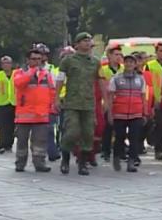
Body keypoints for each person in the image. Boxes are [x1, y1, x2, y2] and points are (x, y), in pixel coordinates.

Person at [58, 32, 103, 176]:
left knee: (88, 134)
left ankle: (82, 163)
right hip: (72, 103)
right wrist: (56, 97)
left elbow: (101, 80)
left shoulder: (95, 62)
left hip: (89, 103)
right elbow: (60, 80)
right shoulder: (68, 61)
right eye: (84, 40)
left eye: (89, 40)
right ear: (76, 45)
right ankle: (65, 159)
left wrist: (106, 100)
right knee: (72, 132)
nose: (87, 43)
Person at [13, 47, 55, 173]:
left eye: (39, 59)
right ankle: (20, 164)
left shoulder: (46, 74)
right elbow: (18, 83)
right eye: (33, 59)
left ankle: (39, 163)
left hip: (41, 114)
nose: (37, 62)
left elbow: (51, 91)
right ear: (27, 60)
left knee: (40, 142)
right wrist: (31, 72)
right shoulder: (20, 72)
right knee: (22, 141)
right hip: (24, 115)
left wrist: (52, 106)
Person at [106, 52, 146, 172]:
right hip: (119, 113)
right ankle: (117, 157)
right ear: (124, 63)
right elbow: (110, 97)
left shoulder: (140, 79)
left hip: (136, 113)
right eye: (127, 62)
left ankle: (131, 161)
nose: (129, 64)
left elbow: (144, 97)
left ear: (135, 64)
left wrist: (145, 113)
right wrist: (109, 113)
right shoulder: (116, 79)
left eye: (132, 62)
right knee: (120, 137)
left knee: (134, 138)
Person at [98, 45, 124, 163]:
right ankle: (105, 150)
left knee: (120, 128)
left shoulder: (124, 69)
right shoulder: (103, 69)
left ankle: (120, 152)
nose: (118, 57)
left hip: (122, 102)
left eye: (120, 55)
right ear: (109, 56)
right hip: (108, 101)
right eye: (115, 54)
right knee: (107, 128)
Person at [145, 41, 162, 161]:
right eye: (160, 51)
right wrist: (152, 100)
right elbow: (148, 85)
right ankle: (158, 150)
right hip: (156, 100)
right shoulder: (149, 65)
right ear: (156, 52)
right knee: (159, 126)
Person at [0, 56, 16, 154]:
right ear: (1, 65)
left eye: (8, 63)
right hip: (2, 104)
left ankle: (9, 145)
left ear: (11, 64)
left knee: (12, 126)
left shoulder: (16, 74)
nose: (6, 65)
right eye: (4, 63)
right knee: (3, 126)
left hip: (14, 103)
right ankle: (2, 145)